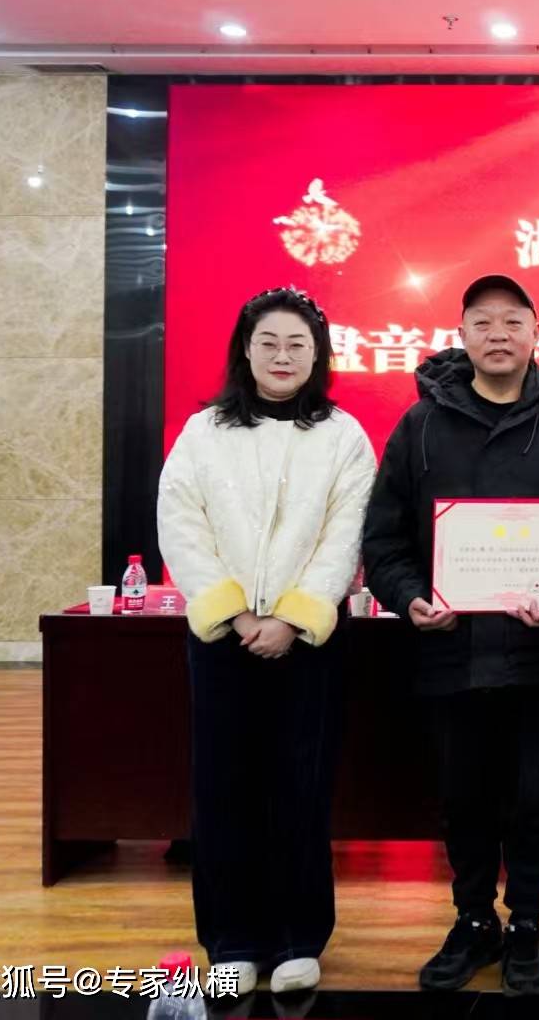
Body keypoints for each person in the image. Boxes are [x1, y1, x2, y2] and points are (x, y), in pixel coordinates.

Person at [361, 274, 539, 995]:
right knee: (461, 797)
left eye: (513, 321)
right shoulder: (419, 425)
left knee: (535, 799)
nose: (499, 334)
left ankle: (527, 923)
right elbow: (384, 537)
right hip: (450, 651)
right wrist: (409, 596)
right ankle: (473, 920)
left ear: (537, 334)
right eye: (483, 322)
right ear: (461, 334)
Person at [158, 286, 377, 997]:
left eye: (297, 345)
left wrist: (293, 616)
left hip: (307, 641)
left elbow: (346, 533)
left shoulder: (343, 435)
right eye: (269, 343)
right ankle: (231, 938)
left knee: (300, 784)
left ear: (318, 356)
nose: (283, 356)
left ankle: (297, 937)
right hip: (222, 639)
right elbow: (180, 522)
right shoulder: (204, 432)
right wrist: (233, 614)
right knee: (224, 786)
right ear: (245, 352)